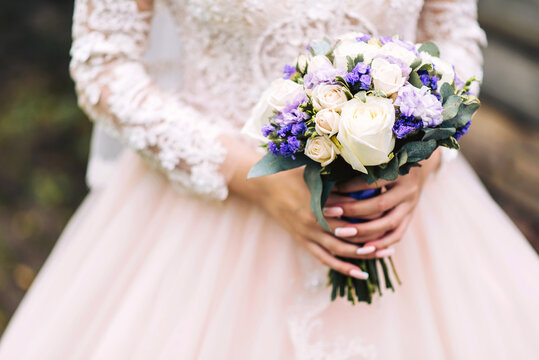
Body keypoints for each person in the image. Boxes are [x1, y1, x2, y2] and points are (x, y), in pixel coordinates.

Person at [1, 0, 538, 358]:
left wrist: (426, 155)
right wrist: (244, 173)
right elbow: (103, 63)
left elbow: (454, 38)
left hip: (399, 215)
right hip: (204, 226)